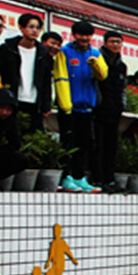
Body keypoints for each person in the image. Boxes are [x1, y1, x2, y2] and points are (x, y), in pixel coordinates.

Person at [53, 20, 107, 193]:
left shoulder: (95, 53)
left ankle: (79, 177)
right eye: (80, 35)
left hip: (87, 108)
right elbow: (60, 78)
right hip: (69, 108)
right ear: (74, 35)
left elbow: (103, 75)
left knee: (84, 145)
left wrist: (95, 64)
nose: (84, 38)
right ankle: (66, 177)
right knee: (68, 143)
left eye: (88, 35)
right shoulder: (65, 52)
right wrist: (65, 105)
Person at [0, 13, 52, 133]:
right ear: (21, 27)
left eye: (38, 28)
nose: (34, 31)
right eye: (31, 27)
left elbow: (46, 80)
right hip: (13, 98)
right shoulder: (7, 48)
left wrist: (46, 103)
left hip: (34, 101)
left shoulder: (43, 53)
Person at [94, 31, 128, 192]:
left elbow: (123, 89)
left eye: (118, 42)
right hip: (98, 110)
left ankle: (110, 179)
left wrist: (122, 106)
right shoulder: (98, 59)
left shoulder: (122, 66)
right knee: (98, 146)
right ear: (105, 43)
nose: (115, 45)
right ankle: (98, 179)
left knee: (111, 147)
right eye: (112, 41)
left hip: (114, 112)